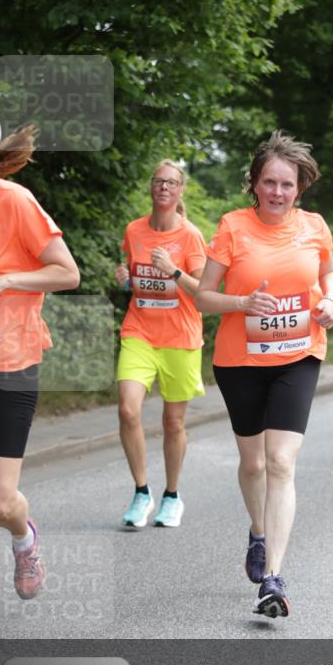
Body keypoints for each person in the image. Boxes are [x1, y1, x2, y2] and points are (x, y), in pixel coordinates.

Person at [195, 131, 333, 618]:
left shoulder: (315, 226)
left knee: (280, 462)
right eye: (269, 183)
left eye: (287, 184)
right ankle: (257, 531)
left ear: (300, 188)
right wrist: (242, 302)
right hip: (241, 362)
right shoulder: (232, 227)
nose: (278, 192)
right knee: (253, 464)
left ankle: (272, 577)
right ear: (254, 184)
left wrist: (332, 301)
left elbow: (328, 273)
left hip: (300, 355)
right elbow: (201, 296)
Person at [0, 104, 80, 635]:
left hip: (8, 366)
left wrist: (4, 281)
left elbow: (66, 273)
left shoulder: (17, 204)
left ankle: (24, 538)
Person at [114, 159, 206, 529]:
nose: (164, 187)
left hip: (181, 337)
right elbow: (135, 281)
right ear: (151, 188)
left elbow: (204, 293)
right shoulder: (134, 230)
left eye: (172, 182)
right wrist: (124, 279)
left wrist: (174, 270)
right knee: (128, 410)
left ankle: (172, 495)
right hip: (140, 331)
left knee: (173, 421)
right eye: (158, 181)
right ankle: (141, 492)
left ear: (181, 190)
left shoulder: (191, 236)